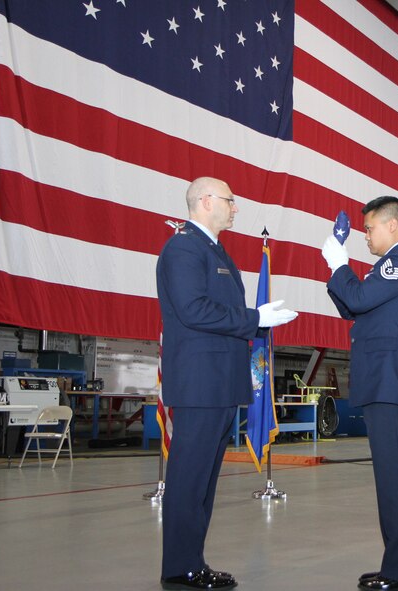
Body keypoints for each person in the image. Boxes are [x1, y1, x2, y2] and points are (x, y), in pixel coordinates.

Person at [156, 177, 297, 590]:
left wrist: (253, 315)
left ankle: (191, 562)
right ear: (204, 201)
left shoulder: (214, 250)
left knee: (203, 481)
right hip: (200, 383)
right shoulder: (184, 247)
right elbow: (194, 309)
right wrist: (254, 319)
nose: (236, 208)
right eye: (230, 200)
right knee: (189, 478)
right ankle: (181, 567)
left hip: (217, 382)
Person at [321, 196, 398, 591]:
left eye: (369, 228)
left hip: (392, 381)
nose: (364, 235)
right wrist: (339, 275)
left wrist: (339, 265)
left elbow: (361, 298)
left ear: (392, 226)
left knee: (396, 479)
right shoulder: (388, 265)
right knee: (393, 479)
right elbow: (355, 309)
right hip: (384, 380)